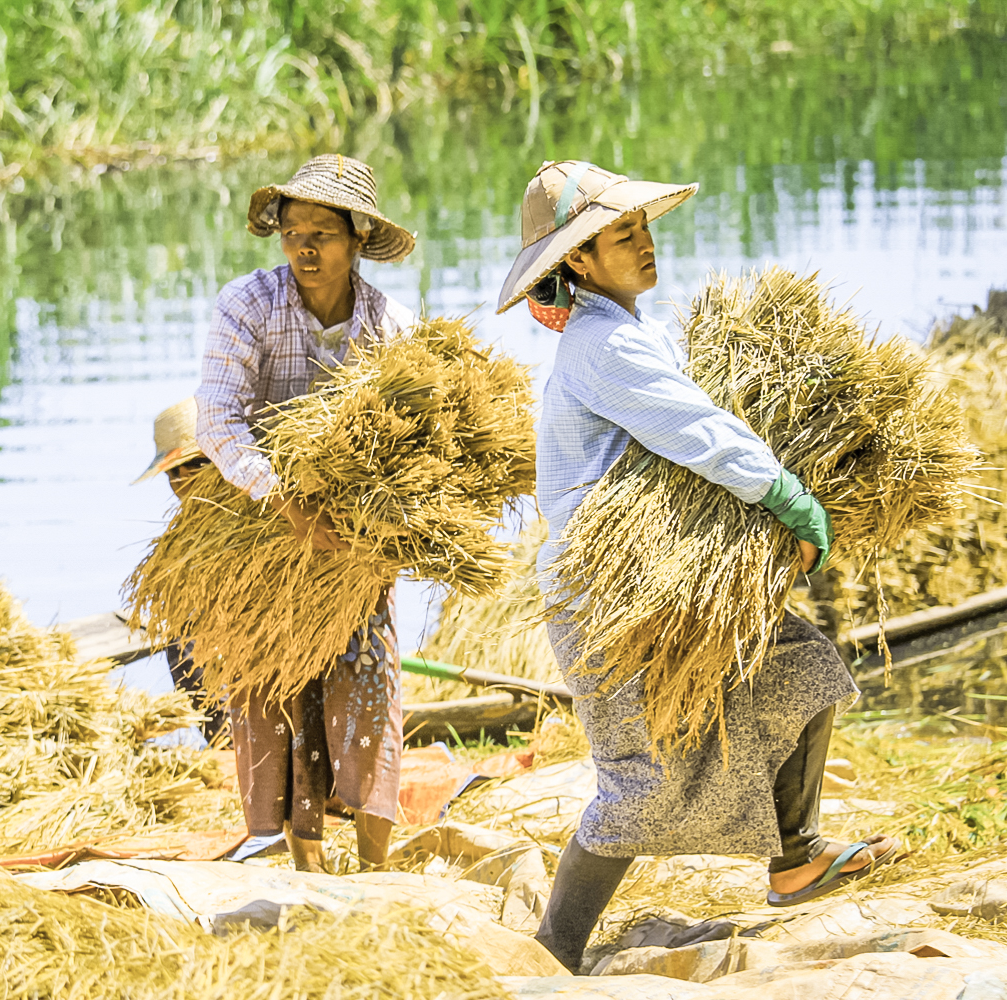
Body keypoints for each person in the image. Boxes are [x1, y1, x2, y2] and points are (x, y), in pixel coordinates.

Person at [497, 160, 898, 972]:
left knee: (800, 666)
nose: (645, 244)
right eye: (622, 234)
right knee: (639, 785)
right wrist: (787, 494)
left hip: (651, 593)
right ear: (577, 260)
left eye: (644, 228)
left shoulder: (632, 330)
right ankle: (552, 954)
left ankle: (795, 858)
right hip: (602, 603)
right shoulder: (602, 344)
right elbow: (698, 431)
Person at [195, 154, 416, 872]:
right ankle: (306, 870)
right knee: (277, 691)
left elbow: (413, 440)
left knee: (370, 682)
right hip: (261, 526)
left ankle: (379, 870)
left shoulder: (390, 326)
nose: (305, 249)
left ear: (357, 238)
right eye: (292, 233)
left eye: (322, 232)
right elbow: (219, 422)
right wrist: (284, 500)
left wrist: (380, 531)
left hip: (353, 541)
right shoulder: (248, 305)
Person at [132, 396, 225, 742]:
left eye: (197, 464)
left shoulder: (267, 512)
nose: (183, 481)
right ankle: (223, 741)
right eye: (174, 472)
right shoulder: (182, 543)